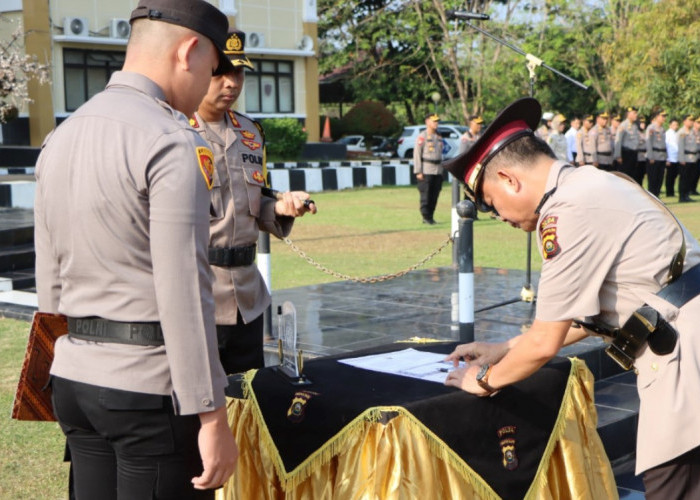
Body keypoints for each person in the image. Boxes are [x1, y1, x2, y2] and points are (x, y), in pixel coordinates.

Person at [442, 97, 700, 500]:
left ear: (510, 179)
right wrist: (503, 347)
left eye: (493, 204)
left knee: (674, 490)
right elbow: (583, 317)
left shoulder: (566, 211)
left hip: (686, 357)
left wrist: (482, 381)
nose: (504, 219)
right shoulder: (595, 182)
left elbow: (545, 342)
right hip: (682, 330)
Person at [33, 1, 239, 498]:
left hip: (74, 378)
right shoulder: (168, 139)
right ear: (189, 51)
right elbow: (185, 290)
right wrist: (212, 414)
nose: (211, 85)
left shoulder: (61, 135)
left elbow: (50, 280)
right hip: (146, 390)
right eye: (211, 69)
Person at [192, 29, 317, 375]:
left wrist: (279, 207)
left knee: (249, 402)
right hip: (199, 293)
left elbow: (255, 198)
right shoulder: (176, 132)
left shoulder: (251, 134)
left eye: (239, 73)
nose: (231, 83)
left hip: (247, 296)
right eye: (221, 73)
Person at [413, 113, 444, 224]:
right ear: (427, 122)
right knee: (426, 195)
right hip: (426, 169)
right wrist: (418, 171)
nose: (436, 123)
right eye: (434, 121)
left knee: (435, 195)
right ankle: (426, 217)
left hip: (437, 170)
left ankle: (431, 216)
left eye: (437, 121)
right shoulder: (423, 136)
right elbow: (417, 154)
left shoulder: (439, 136)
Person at [646, 109, 668, 197]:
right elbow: (648, 143)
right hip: (654, 157)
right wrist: (650, 157)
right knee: (653, 179)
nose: (664, 118)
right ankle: (652, 198)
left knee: (660, 179)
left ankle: (657, 197)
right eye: (662, 116)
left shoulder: (662, 129)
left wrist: (666, 157)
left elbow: (664, 144)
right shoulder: (651, 128)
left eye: (665, 116)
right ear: (657, 117)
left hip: (661, 157)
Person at [614, 106, 640, 179]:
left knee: (632, 176)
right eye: (634, 113)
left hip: (633, 154)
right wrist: (618, 156)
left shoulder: (635, 125)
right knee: (625, 176)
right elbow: (618, 141)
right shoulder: (623, 125)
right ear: (628, 114)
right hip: (626, 154)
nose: (636, 115)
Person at [678, 114, 697, 203]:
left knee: (690, 178)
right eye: (689, 120)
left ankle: (687, 195)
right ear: (684, 121)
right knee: (684, 178)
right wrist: (682, 159)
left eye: (692, 120)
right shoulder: (682, 132)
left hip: (692, 158)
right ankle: (682, 196)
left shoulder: (693, 132)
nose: (691, 122)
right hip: (685, 158)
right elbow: (681, 147)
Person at [665, 118, 680, 198]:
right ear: (670, 125)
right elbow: (666, 146)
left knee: (674, 176)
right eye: (674, 125)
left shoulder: (676, 134)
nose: (675, 126)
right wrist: (667, 158)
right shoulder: (667, 134)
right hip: (670, 158)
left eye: (676, 125)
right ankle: (669, 192)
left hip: (676, 158)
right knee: (669, 176)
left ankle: (672, 192)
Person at [635, 115, 648, 186]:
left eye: (644, 123)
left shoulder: (644, 133)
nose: (643, 124)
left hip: (644, 157)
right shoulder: (636, 133)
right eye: (641, 123)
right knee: (637, 175)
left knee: (642, 175)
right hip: (638, 156)